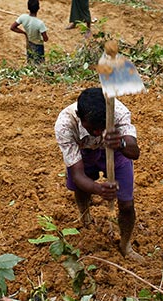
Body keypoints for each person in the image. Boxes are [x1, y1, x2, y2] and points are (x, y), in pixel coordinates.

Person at [54, 87, 142, 261]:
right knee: (81, 188)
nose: (97, 132)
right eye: (92, 128)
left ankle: (125, 245)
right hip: (84, 153)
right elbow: (78, 174)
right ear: (79, 116)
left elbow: (135, 152)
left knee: (126, 204)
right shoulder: (65, 124)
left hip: (116, 152)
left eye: (101, 126)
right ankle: (85, 216)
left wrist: (122, 143)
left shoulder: (118, 112)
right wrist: (97, 188)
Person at [10, 0, 49, 64]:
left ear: (28, 7)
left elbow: (12, 27)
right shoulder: (40, 23)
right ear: (38, 8)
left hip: (29, 43)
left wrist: (24, 33)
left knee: (30, 60)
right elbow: (46, 39)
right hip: (38, 45)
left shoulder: (23, 17)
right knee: (39, 63)